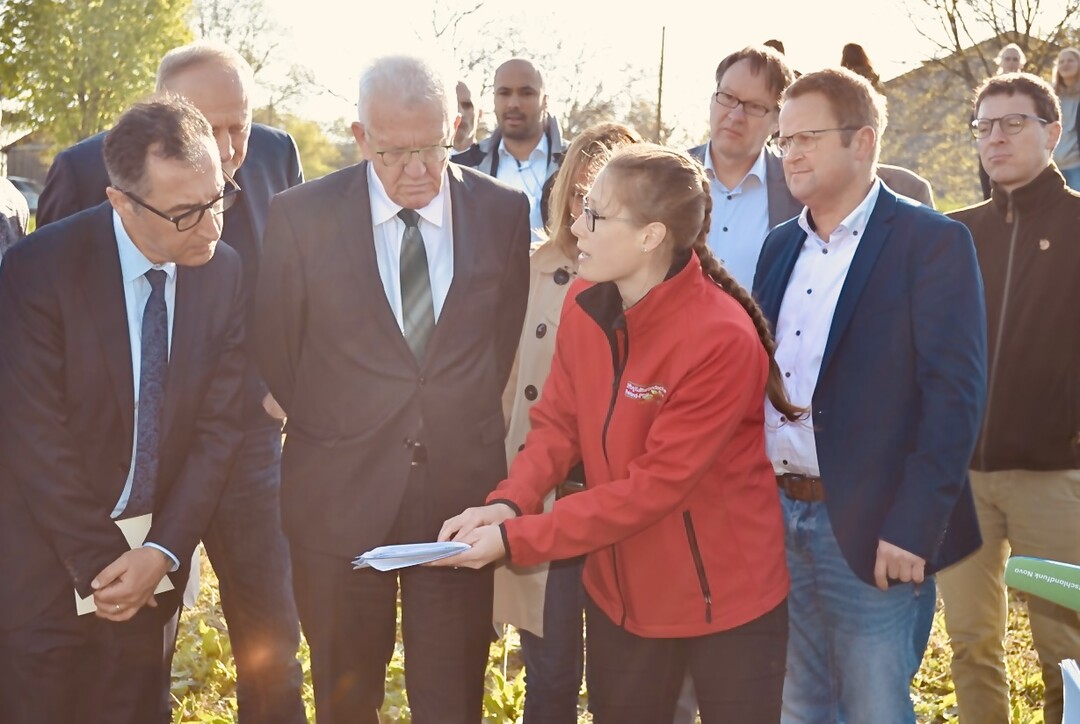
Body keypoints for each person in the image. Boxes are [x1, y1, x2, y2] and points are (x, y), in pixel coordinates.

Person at [435, 144, 794, 724]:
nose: (576, 227)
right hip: (620, 599)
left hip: (726, 606)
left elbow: (652, 490)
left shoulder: (720, 338)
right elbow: (556, 425)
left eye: (595, 216)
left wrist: (518, 540)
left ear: (652, 236)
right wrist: (507, 503)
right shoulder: (585, 299)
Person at [34, 40, 306, 723]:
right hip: (135, 456)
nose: (227, 146)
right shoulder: (82, 170)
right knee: (130, 644)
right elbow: (62, 323)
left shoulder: (278, 158)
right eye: (206, 127)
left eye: (237, 125)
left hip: (240, 444)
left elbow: (293, 287)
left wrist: (278, 386)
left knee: (272, 639)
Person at [253, 53, 530, 724]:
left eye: (430, 149)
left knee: (452, 698)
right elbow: (276, 350)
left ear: (457, 127)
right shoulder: (299, 217)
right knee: (346, 699)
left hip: (457, 501)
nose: (413, 170)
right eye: (392, 152)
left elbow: (498, 343)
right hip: (337, 499)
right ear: (359, 137)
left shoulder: (502, 211)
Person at [0, 96, 246, 723]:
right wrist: (106, 565)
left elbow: (218, 433)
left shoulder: (223, 275)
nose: (212, 227)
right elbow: (32, 434)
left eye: (218, 197)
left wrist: (161, 553)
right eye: (187, 213)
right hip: (44, 573)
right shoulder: (38, 268)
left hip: (151, 576)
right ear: (122, 203)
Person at [753, 68, 987, 723]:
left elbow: (955, 399)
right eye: (782, 140)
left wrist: (914, 526)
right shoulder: (779, 247)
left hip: (876, 531)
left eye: (806, 137)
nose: (789, 153)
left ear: (863, 141)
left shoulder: (931, 242)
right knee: (799, 706)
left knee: (874, 709)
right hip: (781, 517)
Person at [940, 72, 1080, 724]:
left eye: (1013, 123)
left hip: (1055, 477)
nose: (996, 137)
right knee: (971, 643)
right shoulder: (952, 235)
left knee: (1066, 651)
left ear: (1053, 132)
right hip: (962, 480)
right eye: (985, 125)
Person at [496, 122, 642, 723]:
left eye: (604, 201)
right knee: (551, 676)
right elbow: (507, 386)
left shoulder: (650, 282)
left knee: (626, 681)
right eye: (583, 197)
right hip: (545, 497)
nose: (589, 215)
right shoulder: (531, 268)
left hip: (622, 505)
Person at [689, 46, 934, 291]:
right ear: (712, 99)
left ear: (778, 120)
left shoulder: (804, 184)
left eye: (754, 106)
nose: (735, 115)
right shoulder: (663, 177)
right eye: (728, 97)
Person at [455, 57, 567, 235]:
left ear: (545, 100)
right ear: (493, 99)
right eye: (504, 93)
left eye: (526, 93)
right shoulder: (463, 168)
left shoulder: (575, 163)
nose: (513, 103)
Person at [978, 43, 1028, 198]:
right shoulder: (987, 90)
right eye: (1008, 58)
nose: (1011, 62)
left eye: (1015, 59)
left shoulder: (1030, 90)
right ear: (1000, 62)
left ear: (1021, 63)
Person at [1052, 48, 1080, 190]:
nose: (1065, 64)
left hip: (1077, 165)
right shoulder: (1050, 96)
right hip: (1052, 167)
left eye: (1070, 60)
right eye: (1061, 61)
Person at [452, 80, 480, 155]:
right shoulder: (423, 162)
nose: (460, 113)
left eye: (467, 105)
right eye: (453, 105)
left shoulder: (497, 162)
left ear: (480, 114)